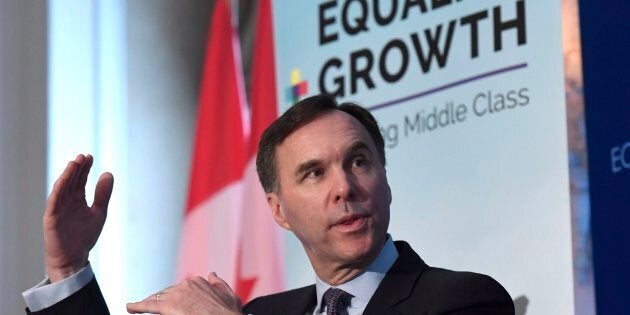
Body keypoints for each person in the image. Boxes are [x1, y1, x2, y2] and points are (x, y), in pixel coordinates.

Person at [23, 94, 514, 314]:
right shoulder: (264, 314)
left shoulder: (464, 301)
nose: (344, 187)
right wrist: (68, 270)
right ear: (278, 210)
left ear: (385, 180)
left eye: (359, 162)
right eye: (314, 172)